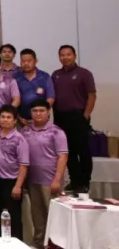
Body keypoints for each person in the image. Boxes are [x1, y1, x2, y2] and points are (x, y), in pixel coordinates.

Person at [21, 99, 68, 249]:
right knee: (38, 218)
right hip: (33, 180)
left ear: (48, 112)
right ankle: (38, 245)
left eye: (41, 110)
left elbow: (63, 156)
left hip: (50, 181)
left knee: (54, 218)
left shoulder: (56, 132)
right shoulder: (26, 131)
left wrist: (57, 180)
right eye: (35, 111)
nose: (38, 114)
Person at [52, 44, 96, 193]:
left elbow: (92, 95)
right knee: (66, 151)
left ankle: (84, 182)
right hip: (60, 117)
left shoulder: (84, 73)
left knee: (82, 150)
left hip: (78, 116)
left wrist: (86, 115)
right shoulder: (56, 74)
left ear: (74, 56)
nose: (65, 57)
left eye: (68, 54)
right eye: (62, 55)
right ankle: (74, 180)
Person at [0, 105, 29, 241]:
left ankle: (16, 243)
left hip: (11, 182)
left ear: (14, 121)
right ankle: (2, 242)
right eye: (3, 117)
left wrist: (18, 186)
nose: (5, 120)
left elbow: (24, 165)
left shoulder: (19, 139)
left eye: (8, 117)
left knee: (13, 217)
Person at [14, 49, 55, 126]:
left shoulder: (45, 77)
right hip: (21, 122)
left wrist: (40, 116)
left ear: (35, 61)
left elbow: (51, 98)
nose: (26, 63)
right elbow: (12, 100)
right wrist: (18, 118)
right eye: (23, 61)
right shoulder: (15, 78)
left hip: (42, 121)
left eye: (29, 61)